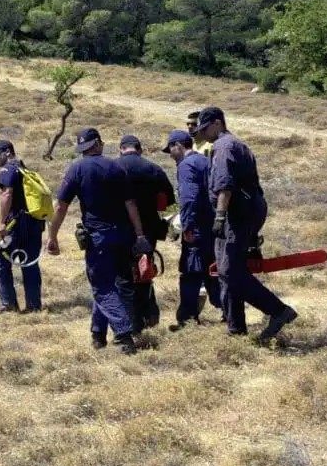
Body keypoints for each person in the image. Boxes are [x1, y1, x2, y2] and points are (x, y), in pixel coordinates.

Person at [46, 128, 153, 355]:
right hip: (123, 235)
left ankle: (124, 334)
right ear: (99, 144)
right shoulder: (117, 167)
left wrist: (52, 236)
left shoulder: (77, 168)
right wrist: (140, 235)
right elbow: (130, 204)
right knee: (109, 285)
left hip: (99, 238)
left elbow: (61, 206)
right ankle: (97, 334)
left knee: (102, 287)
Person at [194, 107, 297, 340]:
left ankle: (278, 311)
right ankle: (236, 329)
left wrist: (219, 216)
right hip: (244, 211)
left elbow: (224, 185)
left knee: (229, 271)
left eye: (205, 128)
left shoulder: (224, 146)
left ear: (218, 123)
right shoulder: (231, 144)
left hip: (237, 213)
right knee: (228, 269)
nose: (203, 133)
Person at [160, 130, 222, 330]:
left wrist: (186, 226)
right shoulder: (204, 161)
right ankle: (229, 312)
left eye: (171, 148)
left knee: (190, 272)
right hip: (212, 227)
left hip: (198, 229)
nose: (170, 154)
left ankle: (187, 319)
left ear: (178, 145)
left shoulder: (186, 166)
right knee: (212, 272)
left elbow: (189, 199)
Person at [116, 134, 175, 332]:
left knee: (123, 276)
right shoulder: (153, 169)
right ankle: (149, 315)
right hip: (148, 231)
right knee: (144, 273)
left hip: (119, 230)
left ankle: (130, 323)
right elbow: (168, 202)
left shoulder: (113, 167)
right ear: (140, 149)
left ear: (121, 149)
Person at [0, 140, 44, 313]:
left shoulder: (8, 169)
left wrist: (3, 222)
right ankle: (34, 306)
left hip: (16, 224)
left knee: (0, 260)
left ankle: (9, 303)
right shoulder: (23, 168)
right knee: (29, 262)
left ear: (8, 152)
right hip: (33, 222)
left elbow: (7, 194)